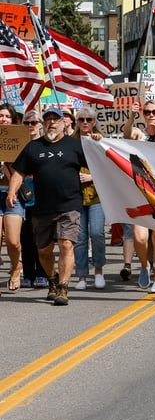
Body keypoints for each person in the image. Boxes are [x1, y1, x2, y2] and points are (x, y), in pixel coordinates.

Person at [5, 107, 88, 306]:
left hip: (70, 205)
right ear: (44, 123)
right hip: (42, 208)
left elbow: (98, 165)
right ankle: (52, 279)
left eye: (56, 119)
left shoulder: (75, 146)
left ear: (63, 123)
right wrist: (11, 191)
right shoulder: (33, 147)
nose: (51, 122)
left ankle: (63, 288)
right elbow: (18, 173)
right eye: (48, 119)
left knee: (66, 244)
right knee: (44, 251)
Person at [122, 100, 155, 293]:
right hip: (140, 192)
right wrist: (132, 117)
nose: (151, 115)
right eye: (147, 112)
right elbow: (126, 134)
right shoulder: (138, 134)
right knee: (140, 238)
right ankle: (144, 266)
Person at [73, 110, 107, 291]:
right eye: (81, 119)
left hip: (97, 196)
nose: (85, 122)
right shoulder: (70, 142)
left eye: (89, 119)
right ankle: (82, 276)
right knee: (79, 238)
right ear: (77, 122)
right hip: (75, 196)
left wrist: (91, 177)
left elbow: (109, 167)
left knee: (97, 232)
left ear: (94, 122)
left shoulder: (100, 141)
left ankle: (99, 271)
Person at [18, 110, 48, 289]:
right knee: (25, 238)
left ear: (40, 125)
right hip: (23, 198)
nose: (30, 126)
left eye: (34, 122)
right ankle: (28, 274)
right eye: (27, 123)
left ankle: (42, 273)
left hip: (42, 198)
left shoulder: (45, 144)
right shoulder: (19, 145)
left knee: (41, 238)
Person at [0, 103, 24, 293]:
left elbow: (25, 172)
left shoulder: (19, 142)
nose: (3, 119)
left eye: (7, 117)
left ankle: (16, 267)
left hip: (12, 194)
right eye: (1, 116)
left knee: (13, 241)